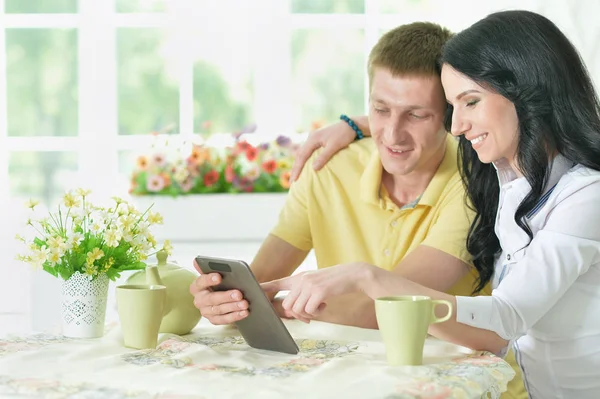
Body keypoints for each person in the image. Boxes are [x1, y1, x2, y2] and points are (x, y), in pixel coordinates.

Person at [263, 10, 600, 399]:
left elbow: (505, 319)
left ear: (527, 92)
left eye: (469, 102)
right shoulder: (507, 178)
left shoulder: (586, 197)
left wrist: (368, 277)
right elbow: (419, 122)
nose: (457, 126)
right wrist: (356, 125)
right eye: (453, 107)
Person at [190, 21, 527, 398]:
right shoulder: (328, 168)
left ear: (450, 116)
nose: (393, 134)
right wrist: (224, 300)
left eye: (417, 115)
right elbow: (260, 277)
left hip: (461, 385)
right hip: (349, 379)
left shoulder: (477, 181)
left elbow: (388, 310)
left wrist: (268, 304)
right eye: (380, 110)